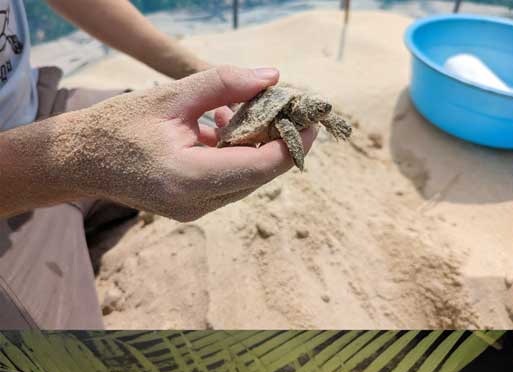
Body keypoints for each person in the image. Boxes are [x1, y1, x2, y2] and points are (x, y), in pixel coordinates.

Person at [0, 0, 317, 328]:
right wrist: (81, 159)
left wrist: (207, 76)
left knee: (184, 139)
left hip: (39, 101)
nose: (320, 114)